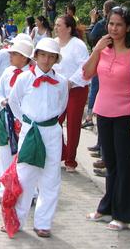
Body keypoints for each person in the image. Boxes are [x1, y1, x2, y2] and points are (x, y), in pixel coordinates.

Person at [82, 5, 130, 231]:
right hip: (104, 110)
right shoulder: (104, 48)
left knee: (123, 165)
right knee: (110, 163)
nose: (114, 28)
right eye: (111, 24)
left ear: (128, 27)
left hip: (125, 113)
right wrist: (96, 49)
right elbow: (87, 73)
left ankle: (123, 214)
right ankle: (107, 206)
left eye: (119, 24)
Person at [4, 38, 69, 238]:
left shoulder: (62, 82)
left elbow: (62, 105)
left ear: (56, 59)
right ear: (36, 56)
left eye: (51, 56)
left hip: (51, 132)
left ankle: (43, 223)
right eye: (43, 55)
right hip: (30, 131)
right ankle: (18, 219)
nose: (46, 60)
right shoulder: (24, 78)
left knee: (51, 177)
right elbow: (14, 102)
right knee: (24, 177)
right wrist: (25, 123)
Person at [0, 36, 34, 186]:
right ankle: (6, 185)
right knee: (4, 151)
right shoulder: (8, 71)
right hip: (6, 118)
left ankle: (27, 188)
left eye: (14, 54)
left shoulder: (31, 75)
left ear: (24, 58)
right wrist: (2, 100)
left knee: (24, 155)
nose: (10, 56)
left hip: (24, 121)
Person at [53, 15, 90, 172]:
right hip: (57, 88)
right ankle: (61, 152)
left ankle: (70, 160)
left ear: (68, 28)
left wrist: (71, 82)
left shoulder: (78, 45)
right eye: (55, 25)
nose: (56, 27)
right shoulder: (53, 43)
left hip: (76, 89)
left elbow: (85, 67)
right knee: (54, 122)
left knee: (73, 124)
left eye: (59, 25)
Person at [83, 0, 117, 130]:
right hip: (114, 61)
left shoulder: (102, 24)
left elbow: (91, 38)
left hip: (99, 60)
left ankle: (89, 116)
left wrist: (92, 21)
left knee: (96, 88)